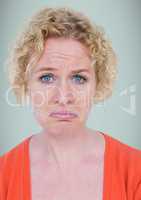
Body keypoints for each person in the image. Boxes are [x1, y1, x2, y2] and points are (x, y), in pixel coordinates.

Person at [0, 6, 141, 200]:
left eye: (79, 78)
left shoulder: (135, 172)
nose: (64, 97)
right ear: (26, 83)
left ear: (97, 83)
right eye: (47, 77)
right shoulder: (3, 175)